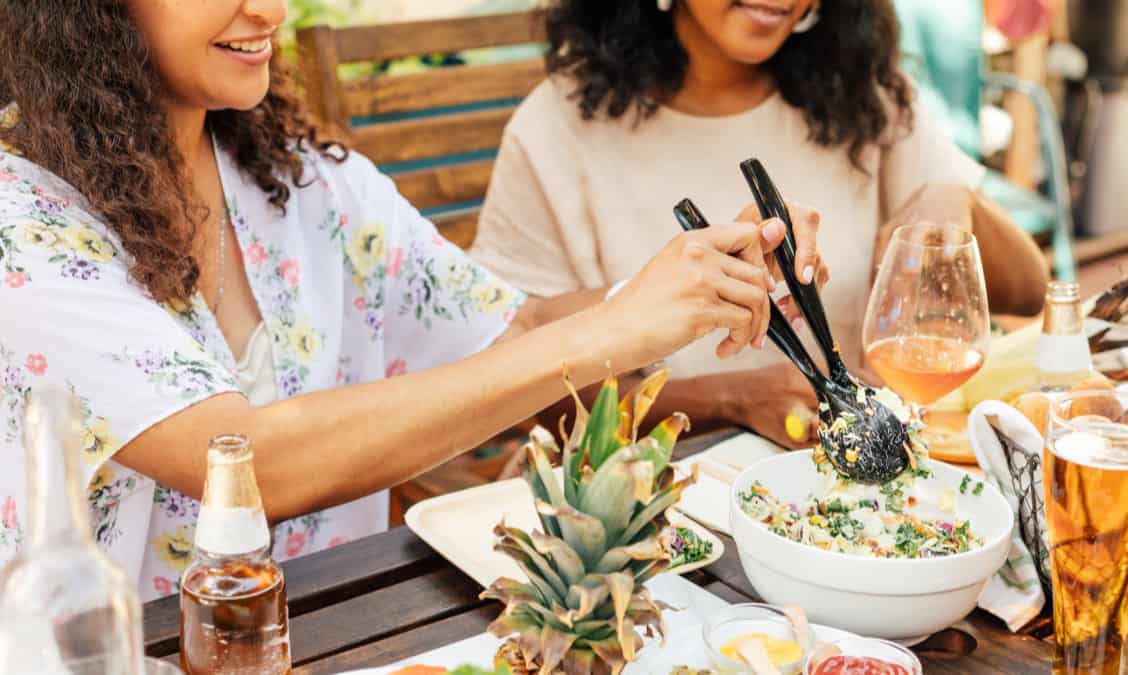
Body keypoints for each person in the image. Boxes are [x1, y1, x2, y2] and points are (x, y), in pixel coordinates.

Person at [0, 0, 820, 600]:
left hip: (346, 625)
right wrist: (612, 330)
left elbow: (514, 325)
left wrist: (699, 274)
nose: (271, 9)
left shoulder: (296, 178)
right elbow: (246, 462)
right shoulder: (23, 230)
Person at [470, 0, 1051, 448]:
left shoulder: (862, 95)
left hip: (846, 502)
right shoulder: (557, 130)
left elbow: (1027, 291)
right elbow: (520, 390)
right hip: (658, 523)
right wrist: (728, 399)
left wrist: (955, 201)